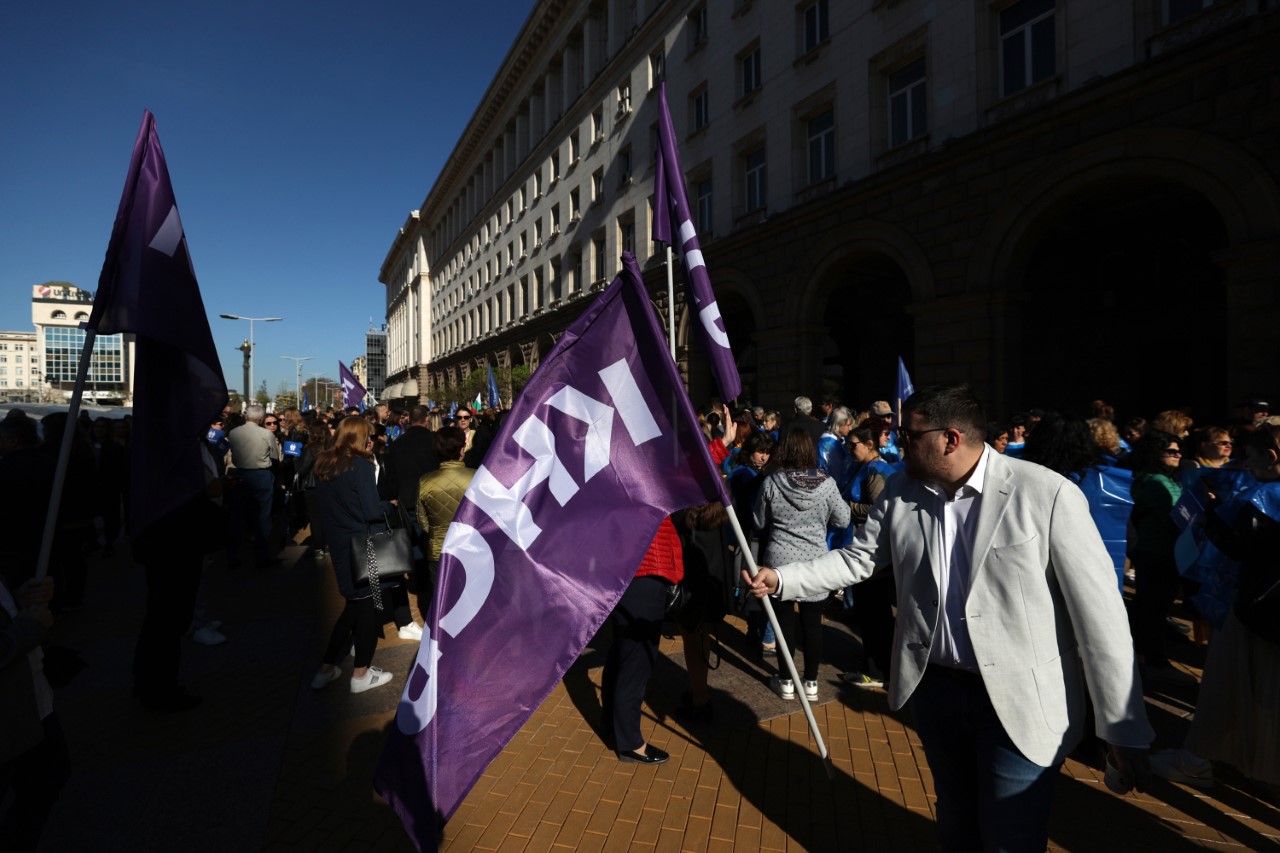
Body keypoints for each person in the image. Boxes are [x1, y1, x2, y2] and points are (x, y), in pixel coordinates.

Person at [745, 384, 1153, 852]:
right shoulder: (902, 490)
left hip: (1019, 700)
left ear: (950, 439)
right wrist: (781, 578)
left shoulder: (1045, 493)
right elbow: (858, 559)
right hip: (935, 690)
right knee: (957, 823)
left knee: (1010, 835)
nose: (897, 444)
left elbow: (1100, 615)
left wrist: (1122, 725)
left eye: (908, 434)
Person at [1150, 422, 1280, 792]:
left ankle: (1196, 760)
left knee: (1230, 687)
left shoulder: (1266, 498)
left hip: (1255, 613)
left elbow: (1240, 548)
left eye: (1251, 458)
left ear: (1270, 457)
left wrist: (1208, 513)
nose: (1246, 466)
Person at [752, 428, 850, 701]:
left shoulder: (772, 482)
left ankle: (785, 680)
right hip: (815, 562)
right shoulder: (827, 483)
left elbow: (758, 521)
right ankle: (810, 682)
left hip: (779, 562)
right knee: (812, 624)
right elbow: (843, 520)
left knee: (783, 625)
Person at [310, 417, 396, 694]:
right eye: (369, 437)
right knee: (369, 609)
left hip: (340, 545)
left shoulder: (324, 463)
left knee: (353, 607)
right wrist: (388, 504)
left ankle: (325, 669)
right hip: (365, 545)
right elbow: (372, 511)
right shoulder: (359, 465)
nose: (373, 441)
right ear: (357, 438)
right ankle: (360, 674)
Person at [601, 517, 682, 765]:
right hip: (643, 567)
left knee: (623, 652)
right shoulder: (641, 482)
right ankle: (631, 743)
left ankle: (613, 724)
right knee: (636, 659)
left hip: (626, 565)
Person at [1128, 430, 1194, 684]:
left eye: (1179, 450)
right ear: (1155, 454)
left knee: (1148, 607)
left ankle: (1145, 661)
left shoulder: (1155, 478)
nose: (1178, 455)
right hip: (1159, 553)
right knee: (1154, 610)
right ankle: (1154, 663)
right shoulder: (1155, 482)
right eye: (1171, 451)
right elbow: (1180, 517)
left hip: (1154, 552)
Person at [415, 426, 474, 616]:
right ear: (461, 449)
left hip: (438, 550)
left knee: (443, 604)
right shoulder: (477, 477)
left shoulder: (425, 481)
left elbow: (422, 521)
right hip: (471, 548)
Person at [226, 404, 282, 568]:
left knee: (238, 516)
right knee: (263, 517)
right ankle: (262, 555)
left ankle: (233, 555)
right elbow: (274, 456)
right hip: (261, 474)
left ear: (245, 416)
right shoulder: (266, 434)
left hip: (239, 474)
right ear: (262, 419)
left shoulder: (234, 433)